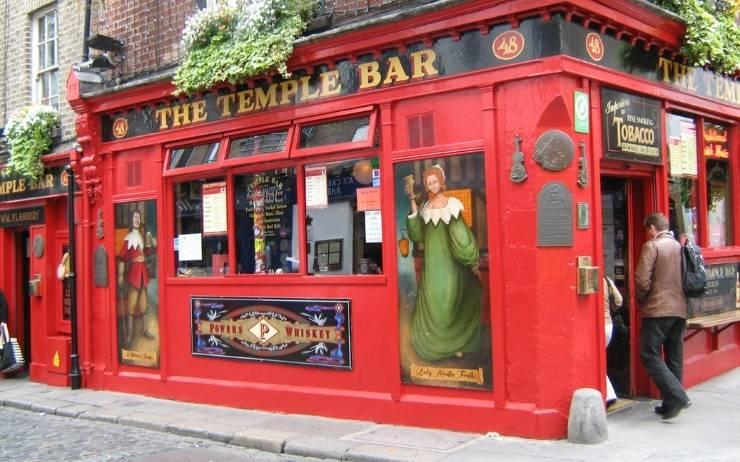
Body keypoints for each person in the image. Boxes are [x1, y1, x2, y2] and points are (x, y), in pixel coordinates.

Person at [404, 164, 482, 361]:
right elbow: (416, 235)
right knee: (434, 305)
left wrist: (472, 261)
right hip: (432, 268)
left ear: (441, 181)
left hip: (450, 266)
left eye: (435, 181)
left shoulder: (451, 205)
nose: (432, 185)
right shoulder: (425, 207)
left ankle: (457, 345)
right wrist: (412, 201)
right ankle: (437, 349)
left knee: (448, 304)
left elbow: (461, 237)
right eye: (429, 183)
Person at [634, 212, 691, 420]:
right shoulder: (679, 246)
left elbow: (642, 280)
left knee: (649, 354)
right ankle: (670, 404)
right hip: (680, 310)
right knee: (674, 356)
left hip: (658, 309)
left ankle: (678, 396)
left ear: (652, 228)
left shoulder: (652, 246)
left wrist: (641, 300)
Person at [118, 209, 157, 346]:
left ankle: (145, 330)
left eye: (138, 217)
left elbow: (148, 252)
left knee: (144, 305)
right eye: (135, 217)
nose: (137, 220)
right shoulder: (128, 238)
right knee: (131, 305)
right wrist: (120, 275)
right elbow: (122, 258)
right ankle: (129, 334)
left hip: (143, 274)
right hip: (134, 276)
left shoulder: (142, 236)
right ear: (131, 220)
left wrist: (152, 243)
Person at [603, 275, 622, 407]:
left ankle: (609, 395)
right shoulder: (606, 279)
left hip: (598, 325)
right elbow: (619, 301)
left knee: (594, 360)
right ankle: (609, 394)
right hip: (609, 325)